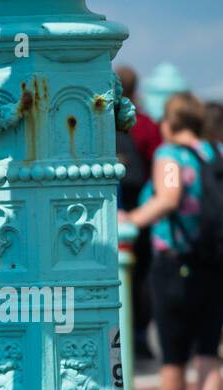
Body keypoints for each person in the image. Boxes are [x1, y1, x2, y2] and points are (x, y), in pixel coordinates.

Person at [122, 91, 222, 390]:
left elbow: (168, 197)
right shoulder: (216, 154)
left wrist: (131, 220)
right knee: (209, 358)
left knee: (174, 362)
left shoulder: (169, 156)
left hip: (174, 266)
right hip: (213, 266)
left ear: (169, 122)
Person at [115, 65, 163, 362]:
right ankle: (141, 338)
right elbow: (160, 166)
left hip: (112, 206)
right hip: (142, 210)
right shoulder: (146, 124)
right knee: (142, 273)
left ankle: (119, 336)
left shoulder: (104, 121)